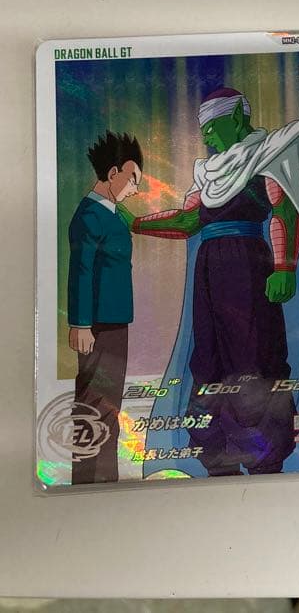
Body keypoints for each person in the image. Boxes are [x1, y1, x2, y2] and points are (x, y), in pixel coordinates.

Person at [123, 87, 299, 476]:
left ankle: (264, 455)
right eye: (203, 129)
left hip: (248, 267)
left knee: (255, 357)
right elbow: (187, 222)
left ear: (237, 117)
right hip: (209, 273)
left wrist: (284, 268)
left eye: (212, 126)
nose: (207, 135)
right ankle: (217, 453)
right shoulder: (208, 174)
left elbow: (285, 212)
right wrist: (136, 223)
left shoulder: (266, 157)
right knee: (209, 358)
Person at [67, 131, 143, 484]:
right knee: (95, 403)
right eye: (133, 179)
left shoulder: (110, 213)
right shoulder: (90, 215)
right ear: (113, 173)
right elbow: (80, 271)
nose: (135, 189)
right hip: (98, 324)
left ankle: (103, 479)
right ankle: (90, 481)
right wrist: (80, 324)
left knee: (107, 404)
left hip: (114, 321)